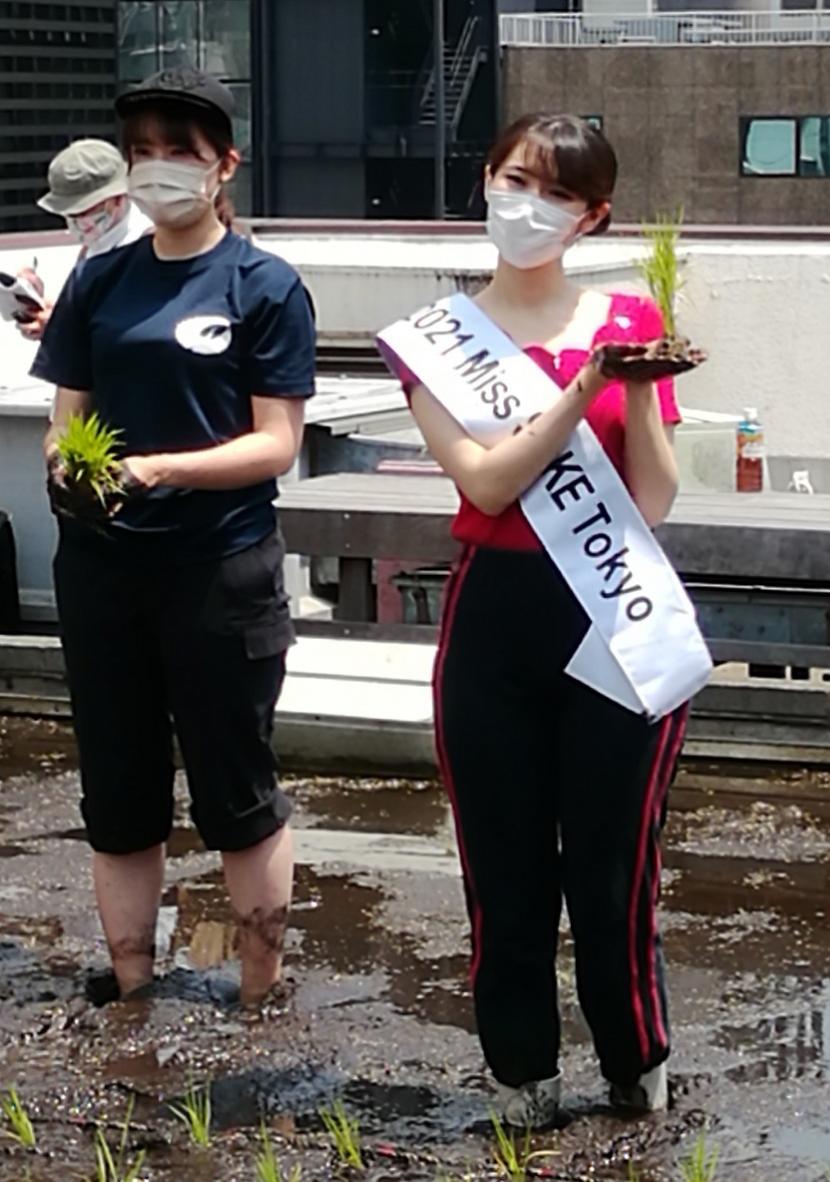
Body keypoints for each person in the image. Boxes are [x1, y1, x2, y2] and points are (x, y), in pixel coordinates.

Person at [380, 113, 707, 1128]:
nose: (530, 206)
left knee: (613, 864)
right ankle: (521, 1074)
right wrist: (580, 393)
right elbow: (484, 477)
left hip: (612, 611)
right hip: (497, 614)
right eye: (515, 180)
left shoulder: (622, 318)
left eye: (558, 194)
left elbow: (649, 502)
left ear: (593, 215)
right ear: (484, 182)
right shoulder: (437, 340)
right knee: (503, 861)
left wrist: (638, 388)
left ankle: (635, 1062)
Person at [30, 67, 316, 1008]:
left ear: (223, 166)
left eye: (179, 153)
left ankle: (260, 989)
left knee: (237, 789)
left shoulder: (264, 286)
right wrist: (69, 469)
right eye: (143, 152)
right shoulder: (100, 281)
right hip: (104, 569)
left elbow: (276, 443)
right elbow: (67, 412)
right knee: (117, 789)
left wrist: (162, 470)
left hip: (217, 570)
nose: (158, 170)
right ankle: (131, 984)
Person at [14, 139, 152, 340]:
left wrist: (63, 326)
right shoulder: (94, 245)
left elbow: (142, 329)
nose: (78, 221)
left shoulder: (150, 244)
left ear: (119, 197)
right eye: (69, 213)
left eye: (85, 210)